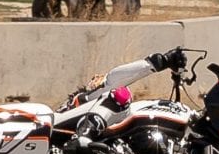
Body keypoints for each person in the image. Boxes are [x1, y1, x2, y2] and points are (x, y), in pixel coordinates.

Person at [58, 47, 188, 112]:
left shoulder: (100, 96)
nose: (96, 80)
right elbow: (112, 80)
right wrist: (161, 61)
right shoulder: (82, 101)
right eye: (94, 82)